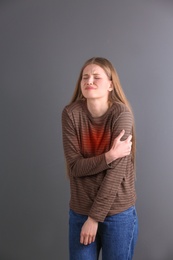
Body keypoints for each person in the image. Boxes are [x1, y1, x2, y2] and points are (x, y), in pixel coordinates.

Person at [61, 57, 138, 260]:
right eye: (85, 77)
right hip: (80, 211)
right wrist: (109, 156)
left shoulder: (121, 114)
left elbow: (115, 175)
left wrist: (94, 218)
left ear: (111, 85)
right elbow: (75, 167)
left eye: (96, 77)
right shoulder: (71, 114)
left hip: (118, 214)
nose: (89, 81)